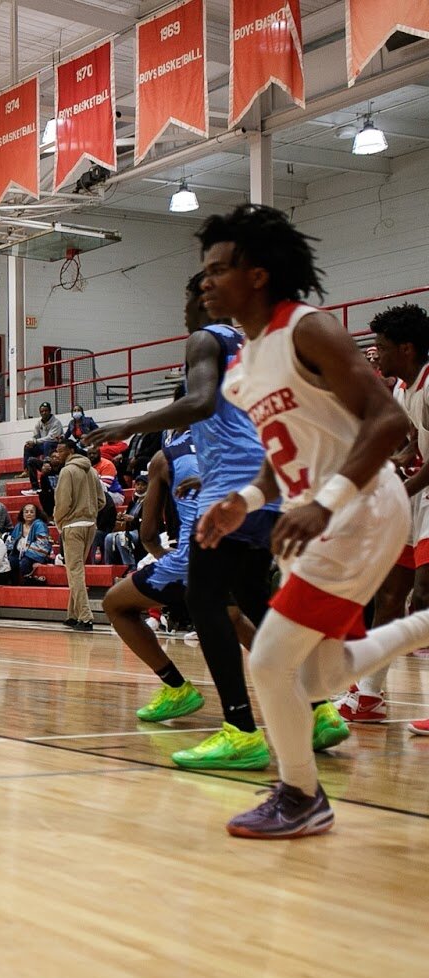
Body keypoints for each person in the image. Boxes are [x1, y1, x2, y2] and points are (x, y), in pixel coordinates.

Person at [195, 203, 429, 838]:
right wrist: (244, 499)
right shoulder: (243, 367)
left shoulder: (309, 328)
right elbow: (283, 454)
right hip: (314, 513)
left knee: (269, 660)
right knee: (318, 674)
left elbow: (391, 423)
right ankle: (424, 627)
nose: (205, 282)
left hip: (359, 505)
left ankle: (302, 796)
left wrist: (325, 501)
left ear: (259, 274)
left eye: (218, 269)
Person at [85, 270, 346, 772]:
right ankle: (318, 708)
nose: (185, 308)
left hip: (234, 489)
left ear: (206, 301)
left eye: (189, 297)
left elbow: (201, 400)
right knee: (252, 605)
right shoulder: (252, 345)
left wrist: (129, 423)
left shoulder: (205, 338)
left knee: (209, 603)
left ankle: (240, 730)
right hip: (265, 485)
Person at [100, 429, 247, 723]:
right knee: (237, 619)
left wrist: (167, 557)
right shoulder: (235, 441)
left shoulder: (165, 457)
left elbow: (148, 534)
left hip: (197, 551)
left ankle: (177, 688)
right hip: (243, 546)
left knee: (115, 604)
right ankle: (317, 707)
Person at [339, 304, 429, 725]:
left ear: (407, 349)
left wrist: (398, 489)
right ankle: (371, 695)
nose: (376, 354)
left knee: (424, 596)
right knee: (390, 593)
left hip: (425, 495)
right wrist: (390, 466)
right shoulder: (400, 390)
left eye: (383, 346)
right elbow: (413, 449)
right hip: (418, 496)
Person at [49, 439, 101, 630]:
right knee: (76, 570)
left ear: (71, 451)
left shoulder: (67, 471)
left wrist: (59, 520)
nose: (58, 454)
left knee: (75, 572)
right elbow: (102, 500)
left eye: (61, 451)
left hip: (73, 526)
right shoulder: (92, 470)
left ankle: (86, 617)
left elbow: (63, 502)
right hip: (90, 524)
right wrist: (90, 512)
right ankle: (73, 614)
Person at [8, 503, 53, 583]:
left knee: (24, 563)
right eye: (26, 512)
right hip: (18, 553)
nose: (29, 514)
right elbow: (12, 541)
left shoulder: (40, 525)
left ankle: (29, 583)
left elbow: (42, 543)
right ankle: (14, 586)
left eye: (32, 512)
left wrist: (26, 553)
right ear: (22, 514)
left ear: (36, 514)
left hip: (34, 555)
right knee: (10, 562)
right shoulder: (19, 526)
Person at [23, 402, 64, 489]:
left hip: (54, 446)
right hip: (42, 445)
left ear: (50, 411)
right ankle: (26, 470)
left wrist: (35, 441)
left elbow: (51, 438)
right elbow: (34, 436)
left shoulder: (56, 422)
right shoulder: (39, 423)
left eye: (46, 411)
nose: (44, 413)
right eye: (42, 411)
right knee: (27, 447)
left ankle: (46, 463)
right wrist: (31, 442)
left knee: (47, 443)